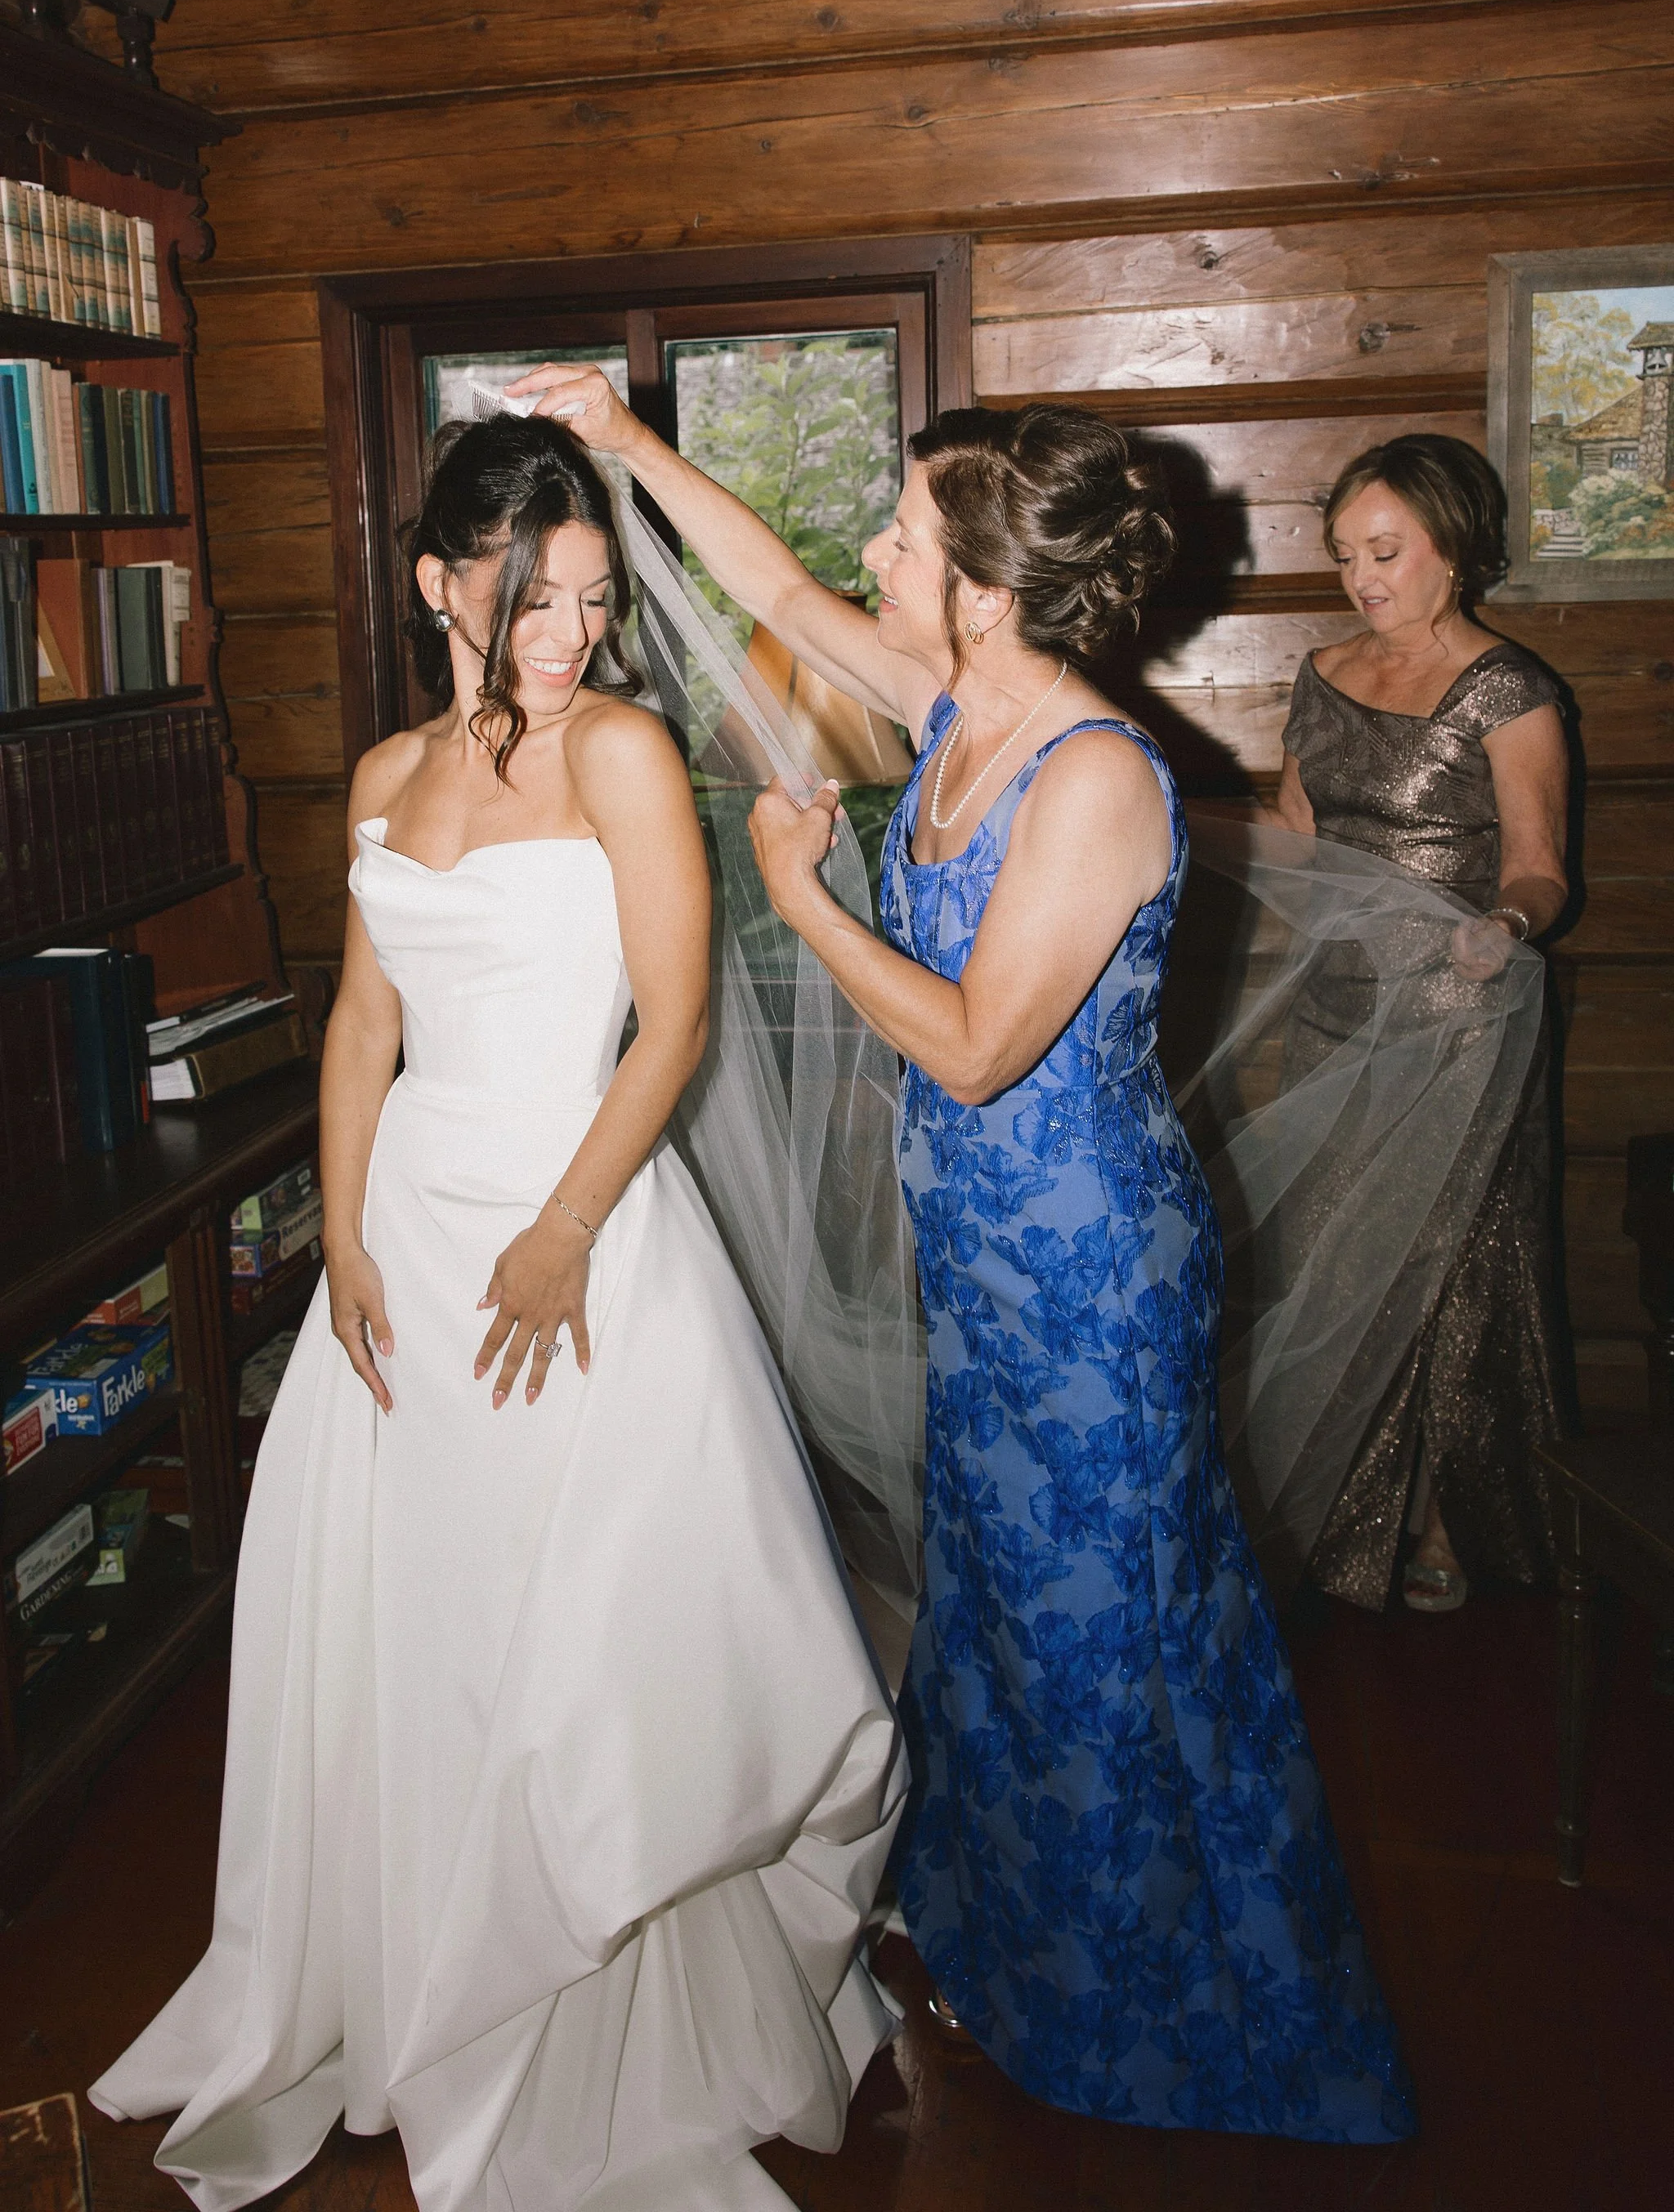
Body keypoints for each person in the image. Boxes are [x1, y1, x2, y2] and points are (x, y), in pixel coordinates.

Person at [510, 365, 1416, 2145]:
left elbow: (981, 1045)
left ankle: (1179, 2013)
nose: (874, 553)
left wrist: (799, 901)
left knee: (1106, 1644)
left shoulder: (1095, 777)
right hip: (988, 1266)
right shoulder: (950, 701)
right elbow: (773, 593)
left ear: (984, 586)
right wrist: (622, 449)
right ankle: (1013, 1947)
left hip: (1089, 1285)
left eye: (905, 537)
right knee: (1001, 1624)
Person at [91, 414, 906, 2212]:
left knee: (583, 1652)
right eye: (533, 597)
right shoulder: (386, 772)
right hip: (409, 1243)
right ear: (440, 583)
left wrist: (560, 1232)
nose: (567, 634)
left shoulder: (624, 752)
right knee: (418, 1628)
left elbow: (674, 1025)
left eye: (595, 600)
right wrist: (351, 1240)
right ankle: (399, 1970)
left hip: (581, 1222)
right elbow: (365, 1028)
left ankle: (580, 2010)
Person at [1269, 432, 1569, 1615]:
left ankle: (1449, 1517)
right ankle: (1341, 1521)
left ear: (1455, 549)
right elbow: (1294, 835)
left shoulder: (1511, 691)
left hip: (1461, 1012)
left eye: (1385, 552)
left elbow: (1546, 870)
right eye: (1345, 555)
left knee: (1452, 1275)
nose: (1361, 579)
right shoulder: (1321, 671)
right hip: (1337, 1007)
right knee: (1330, 1257)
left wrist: (1503, 920)